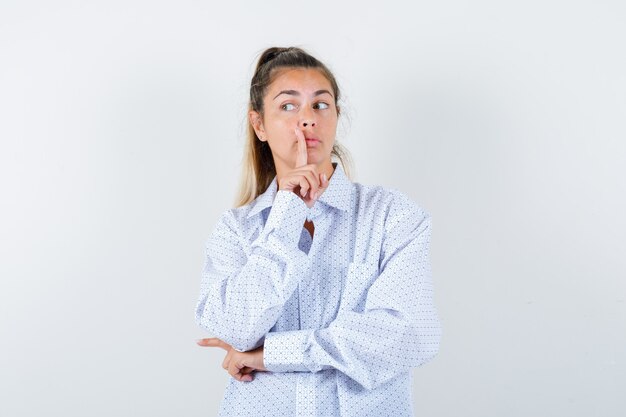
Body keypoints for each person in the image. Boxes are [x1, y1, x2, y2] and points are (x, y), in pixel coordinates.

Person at [195, 46, 441, 417]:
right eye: (288, 106)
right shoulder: (237, 229)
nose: (307, 119)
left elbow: (410, 336)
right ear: (259, 124)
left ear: (336, 116)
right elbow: (235, 329)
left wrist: (271, 355)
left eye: (320, 105)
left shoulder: (393, 216)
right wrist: (287, 214)